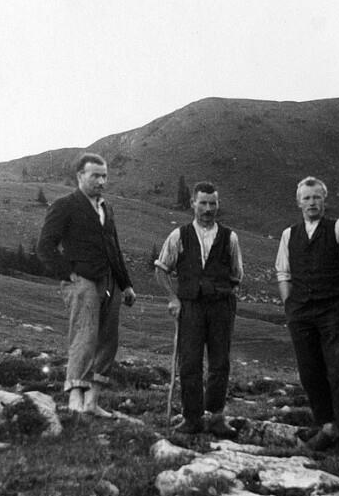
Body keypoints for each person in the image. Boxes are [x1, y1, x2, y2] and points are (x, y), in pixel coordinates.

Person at [37, 152, 137, 417]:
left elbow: (114, 248)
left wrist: (126, 284)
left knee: (108, 341)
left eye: (104, 176)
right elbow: (45, 246)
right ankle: (75, 400)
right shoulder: (65, 205)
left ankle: (92, 402)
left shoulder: (106, 208)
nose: (101, 182)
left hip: (110, 282)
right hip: (83, 281)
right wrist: (68, 274)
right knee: (84, 337)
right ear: (80, 176)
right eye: (95, 176)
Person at [275, 177, 339, 458]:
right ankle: (327, 427)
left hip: (334, 311)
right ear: (298, 202)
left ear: (324, 200)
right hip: (301, 313)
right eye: (307, 198)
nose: (312, 202)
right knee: (309, 371)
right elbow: (283, 273)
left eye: (317, 197)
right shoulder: (289, 234)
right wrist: (290, 305)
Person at [155, 181, 243, 437]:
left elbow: (237, 274)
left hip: (220, 307)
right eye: (202, 203)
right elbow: (161, 269)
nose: (208, 209)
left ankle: (215, 417)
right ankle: (192, 418)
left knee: (220, 362)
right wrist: (173, 298)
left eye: (212, 203)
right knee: (190, 361)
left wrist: (221, 294)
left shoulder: (230, 237)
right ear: (193, 203)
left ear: (218, 205)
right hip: (190, 306)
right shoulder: (179, 235)